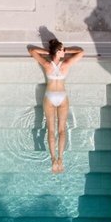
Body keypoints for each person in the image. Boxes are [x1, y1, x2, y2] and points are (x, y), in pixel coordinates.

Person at [28, 39, 84, 174]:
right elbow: (81, 52)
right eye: (62, 49)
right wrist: (65, 51)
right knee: (61, 130)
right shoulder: (66, 64)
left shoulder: (47, 64)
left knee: (51, 130)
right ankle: (60, 159)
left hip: (50, 97)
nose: (64, 51)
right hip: (62, 97)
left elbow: (32, 51)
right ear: (57, 52)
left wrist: (50, 52)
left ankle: (54, 159)